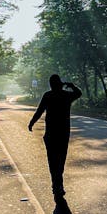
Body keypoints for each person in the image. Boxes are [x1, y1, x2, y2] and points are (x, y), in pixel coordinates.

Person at [28, 74, 82, 202]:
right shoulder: (66, 95)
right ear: (60, 83)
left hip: (51, 134)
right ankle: (58, 185)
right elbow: (79, 93)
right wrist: (72, 86)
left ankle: (56, 185)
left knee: (53, 160)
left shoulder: (48, 95)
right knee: (60, 160)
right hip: (63, 134)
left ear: (51, 84)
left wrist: (32, 122)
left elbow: (39, 111)